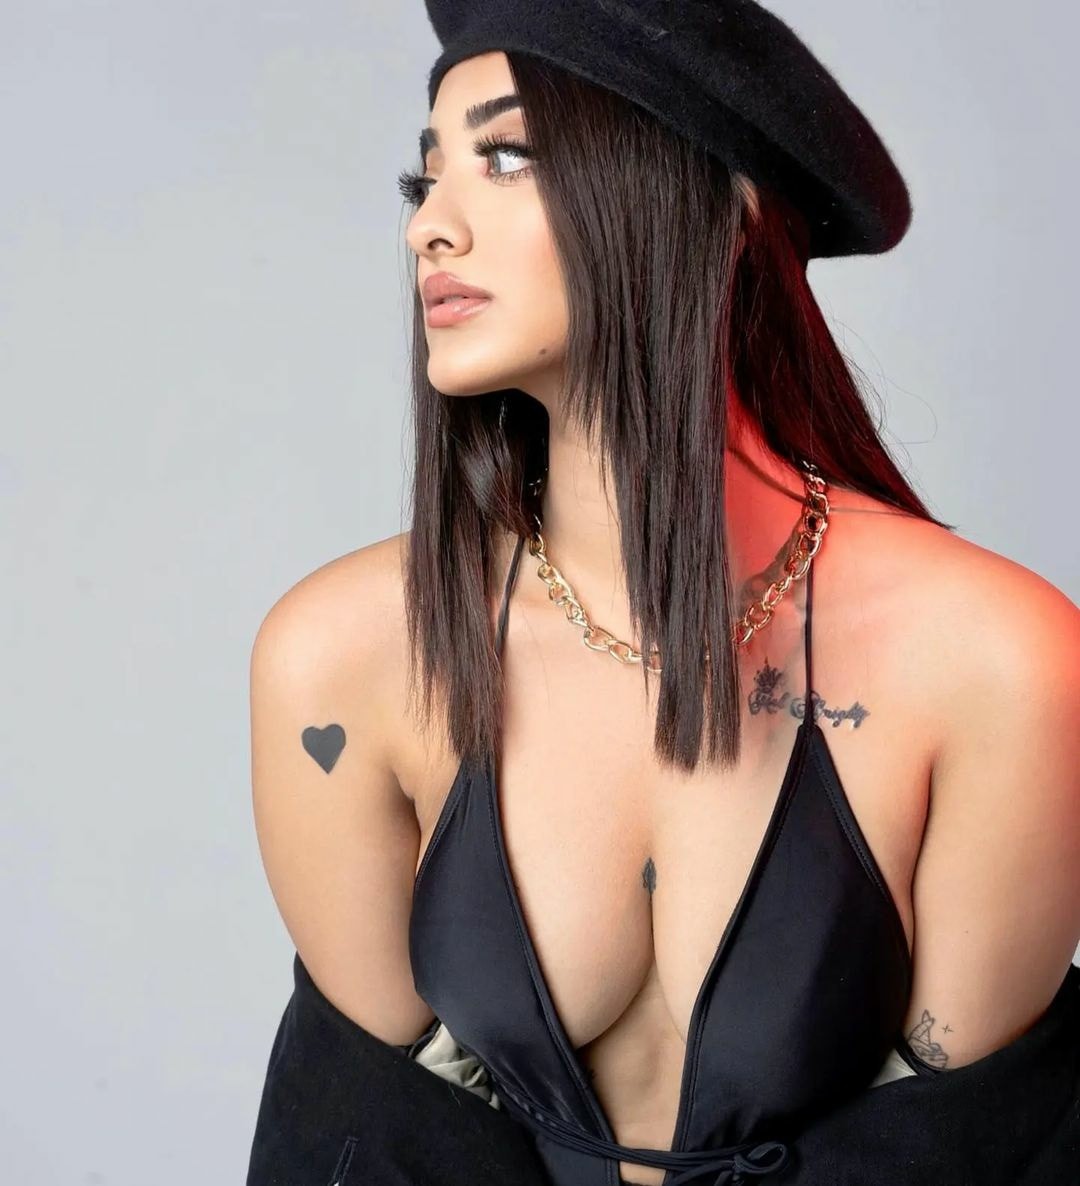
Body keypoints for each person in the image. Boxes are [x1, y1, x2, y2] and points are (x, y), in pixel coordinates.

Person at [247, 6, 1080, 1185]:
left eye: (506, 156)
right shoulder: (343, 661)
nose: (427, 227)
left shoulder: (996, 661)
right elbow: (374, 1148)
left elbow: (963, 1155)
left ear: (721, 204)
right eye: (424, 178)